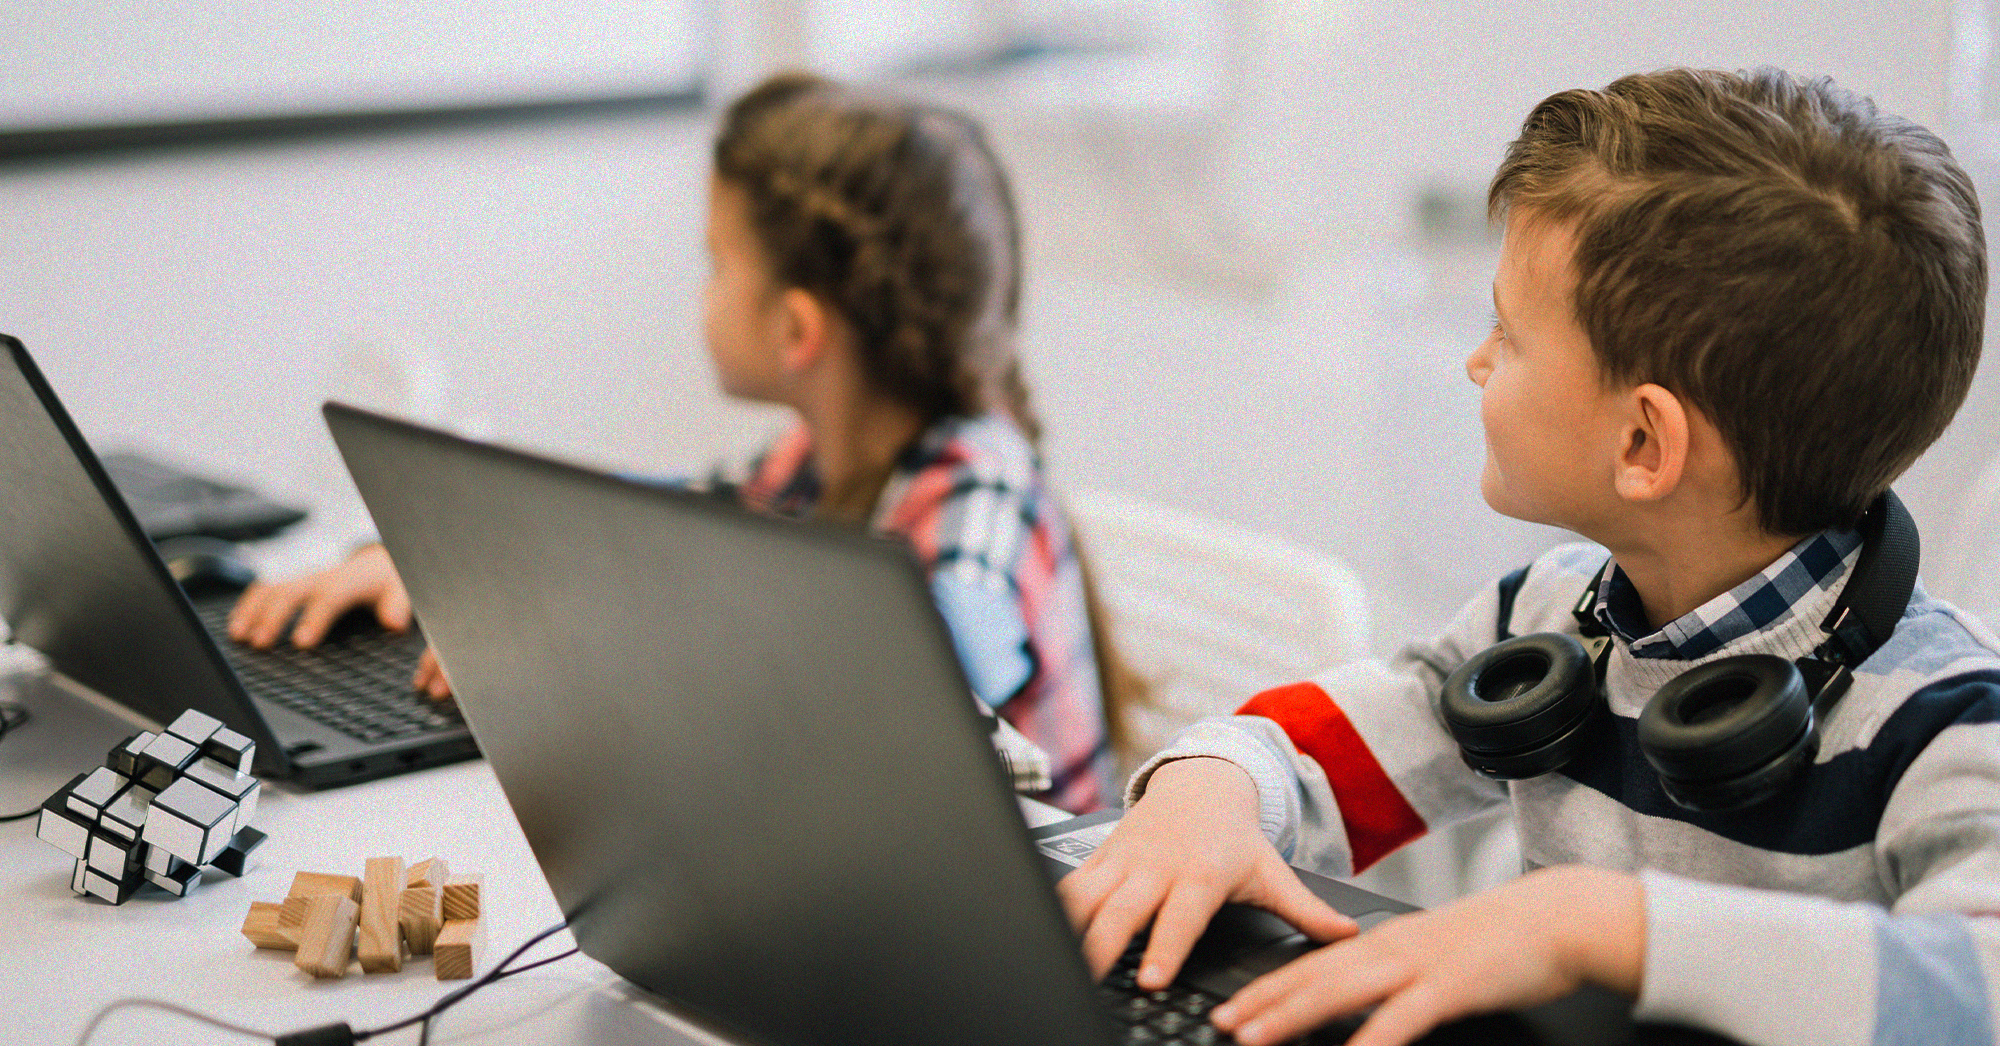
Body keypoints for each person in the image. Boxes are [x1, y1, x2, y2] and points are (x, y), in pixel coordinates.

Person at [1058, 67, 1999, 1046]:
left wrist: (1603, 926)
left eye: (1506, 335)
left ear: (1642, 444)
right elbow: (1350, 739)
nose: (1476, 362)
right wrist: (1216, 783)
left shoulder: (1947, 720)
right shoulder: (1554, 617)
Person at [228, 72, 1118, 813]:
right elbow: (643, 528)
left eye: (716, 263)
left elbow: (931, 673)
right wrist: (446, 561)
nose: (702, 290)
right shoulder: (807, 460)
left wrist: (598, 651)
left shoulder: (983, 483)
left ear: (796, 329)